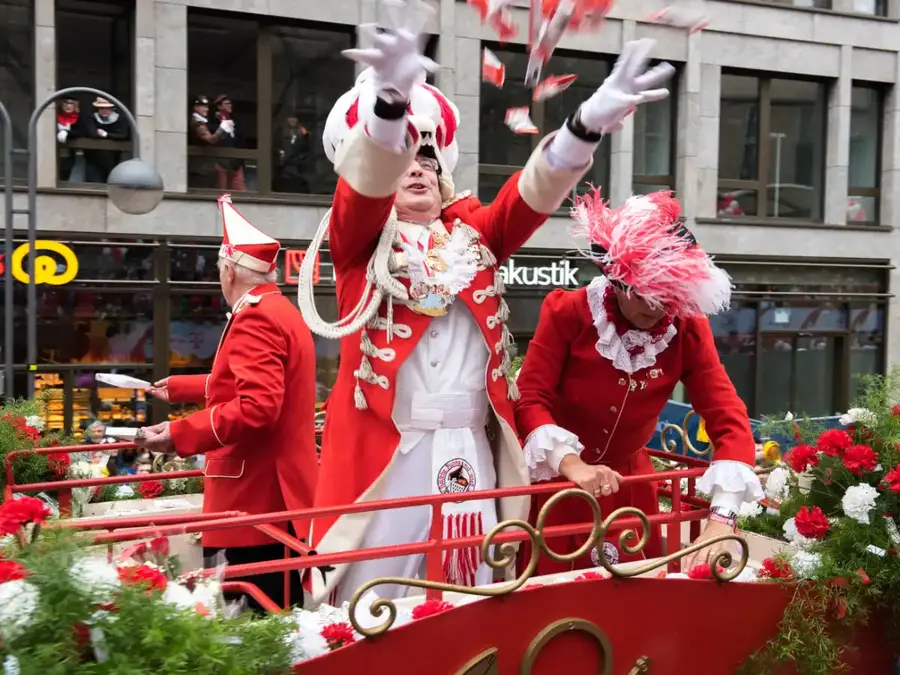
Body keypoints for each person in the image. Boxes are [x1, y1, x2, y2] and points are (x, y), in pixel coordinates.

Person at [298, 0, 674, 605]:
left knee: (473, 587)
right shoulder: (358, 244)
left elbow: (529, 195)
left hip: (472, 448)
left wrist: (585, 126)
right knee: (376, 597)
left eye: (427, 156)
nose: (416, 167)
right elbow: (363, 191)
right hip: (391, 459)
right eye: (403, 159)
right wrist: (389, 105)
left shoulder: (478, 236)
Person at [513, 188, 764, 575]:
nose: (657, 307)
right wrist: (572, 465)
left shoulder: (687, 329)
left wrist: (722, 519)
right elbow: (530, 397)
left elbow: (726, 413)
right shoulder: (568, 312)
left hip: (632, 493)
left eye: (670, 294)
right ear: (616, 280)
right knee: (550, 603)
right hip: (557, 486)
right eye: (647, 293)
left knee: (634, 605)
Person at [136, 195, 318, 610]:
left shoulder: (255, 315)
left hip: (251, 503)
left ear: (229, 269)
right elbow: (256, 386)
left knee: (246, 626)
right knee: (273, 618)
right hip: (273, 498)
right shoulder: (278, 309)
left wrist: (180, 433)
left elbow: (257, 407)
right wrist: (184, 389)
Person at [83, 97, 129, 183]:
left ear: (111, 108)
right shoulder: (91, 118)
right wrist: (112, 136)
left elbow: (124, 135)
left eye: (107, 108)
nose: (104, 110)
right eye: (101, 108)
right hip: (93, 160)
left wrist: (106, 134)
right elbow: (92, 133)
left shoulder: (120, 119)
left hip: (114, 160)